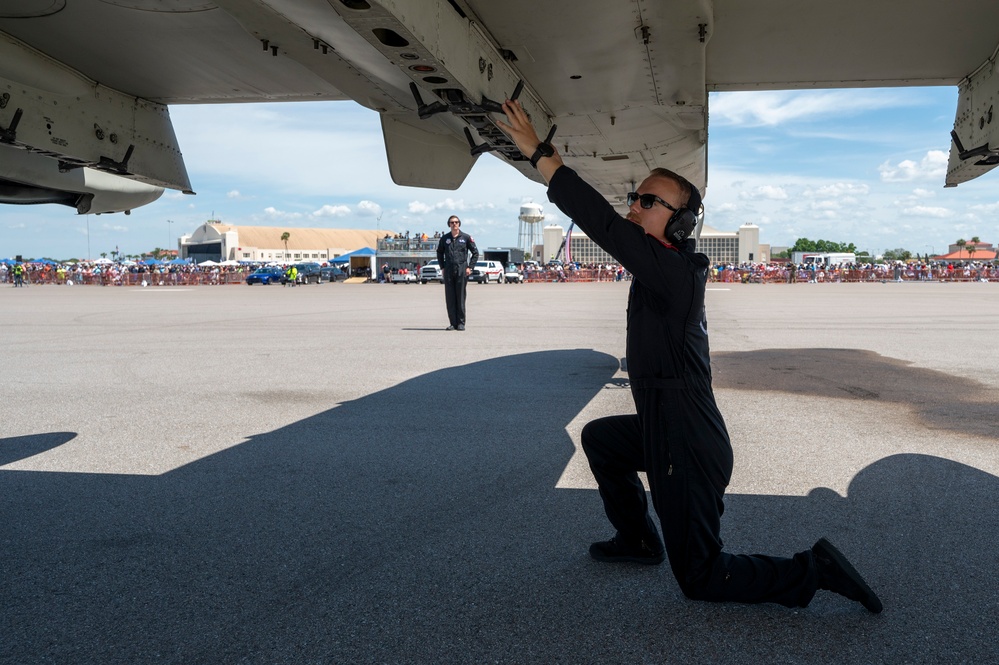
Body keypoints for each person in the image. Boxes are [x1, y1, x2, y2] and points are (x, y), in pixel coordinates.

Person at [496, 98, 882, 613]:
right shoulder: (662, 267)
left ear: (678, 224)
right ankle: (637, 539)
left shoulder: (673, 274)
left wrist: (544, 158)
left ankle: (812, 570)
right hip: (666, 429)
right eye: (635, 196)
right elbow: (619, 230)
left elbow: (603, 227)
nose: (633, 205)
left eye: (647, 201)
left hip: (688, 446)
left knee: (701, 576)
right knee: (601, 440)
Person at [436, 215, 479, 331]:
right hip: (449, 269)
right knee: (450, 297)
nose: (454, 224)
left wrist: (470, 267)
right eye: (452, 222)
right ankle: (452, 323)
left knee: (460, 297)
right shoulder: (445, 239)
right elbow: (439, 252)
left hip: (461, 269)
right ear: (449, 224)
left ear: (459, 223)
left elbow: (475, 253)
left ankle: (461, 323)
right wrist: (442, 267)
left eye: (456, 222)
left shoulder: (465, 238)